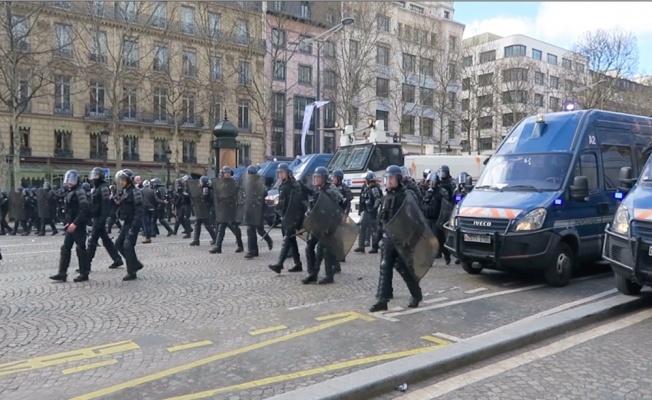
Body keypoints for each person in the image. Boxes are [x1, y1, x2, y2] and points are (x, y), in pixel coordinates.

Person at [369, 165, 424, 312]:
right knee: (385, 266)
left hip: (402, 238)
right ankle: (382, 299)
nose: (389, 181)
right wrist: (378, 235)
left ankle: (416, 294)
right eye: (387, 178)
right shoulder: (386, 195)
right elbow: (382, 217)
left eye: (391, 178)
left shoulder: (406, 196)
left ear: (398, 179)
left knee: (404, 268)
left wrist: (410, 240)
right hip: (388, 238)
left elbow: (415, 219)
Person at [301, 167, 344, 285]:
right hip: (317, 224)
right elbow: (314, 206)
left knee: (323, 250)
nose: (316, 179)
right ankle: (312, 273)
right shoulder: (317, 190)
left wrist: (331, 228)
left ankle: (329, 275)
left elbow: (336, 211)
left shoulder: (330, 192)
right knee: (309, 247)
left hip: (327, 225)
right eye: (315, 177)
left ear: (324, 178)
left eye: (318, 177)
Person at [49, 170, 91, 283]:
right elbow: (69, 210)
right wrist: (67, 222)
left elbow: (84, 209)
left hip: (79, 225)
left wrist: (75, 223)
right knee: (65, 248)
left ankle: (84, 273)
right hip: (72, 225)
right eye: (69, 179)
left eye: (72, 180)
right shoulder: (70, 191)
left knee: (80, 249)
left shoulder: (80, 191)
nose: (69, 182)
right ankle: (62, 273)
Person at [268, 163, 305, 274]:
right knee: (292, 241)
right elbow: (281, 203)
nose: (280, 174)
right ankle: (298, 264)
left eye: (282, 172)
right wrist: (277, 215)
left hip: (294, 217)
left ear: (288, 173)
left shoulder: (294, 185)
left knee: (287, 240)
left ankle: (279, 264)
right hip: (286, 216)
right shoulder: (282, 185)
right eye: (279, 172)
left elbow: (295, 203)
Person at [87, 167, 123, 271]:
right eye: (93, 175)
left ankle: (86, 264)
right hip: (96, 216)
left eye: (96, 175)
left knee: (92, 240)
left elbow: (105, 204)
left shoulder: (103, 188)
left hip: (99, 218)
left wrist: (103, 218)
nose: (94, 178)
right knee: (106, 240)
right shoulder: (96, 188)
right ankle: (117, 259)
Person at [114, 169, 144, 281]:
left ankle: (131, 272)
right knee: (118, 244)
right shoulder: (126, 191)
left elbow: (139, 210)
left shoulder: (135, 191)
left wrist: (134, 227)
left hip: (133, 223)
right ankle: (135, 264)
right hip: (127, 222)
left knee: (127, 246)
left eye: (123, 180)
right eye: (120, 180)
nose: (121, 182)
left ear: (129, 180)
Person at [240, 165, 269, 259]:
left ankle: (268, 240)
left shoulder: (259, 183)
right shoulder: (246, 183)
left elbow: (265, 192)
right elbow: (242, 192)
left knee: (259, 229)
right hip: (249, 208)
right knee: (250, 229)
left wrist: (257, 196)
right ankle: (252, 251)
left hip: (257, 209)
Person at [354, 171, 382, 254]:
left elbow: (378, 199)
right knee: (362, 227)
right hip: (366, 211)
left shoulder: (374, 188)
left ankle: (375, 247)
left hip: (371, 212)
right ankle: (361, 246)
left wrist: (374, 209)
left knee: (374, 229)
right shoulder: (367, 188)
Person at [190, 176, 217, 247]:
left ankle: (215, 239)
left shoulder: (206, 189)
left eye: (201, 182)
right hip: (202, 210)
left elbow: (203, 199)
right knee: (197, 224)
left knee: (207, 225)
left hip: (205, 210)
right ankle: (196, 240)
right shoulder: (204, 189)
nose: (199, 183)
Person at [140, 179, 159, 244]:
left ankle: (147, 237)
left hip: (144, 208)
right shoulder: (152, 191)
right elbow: (156, 200)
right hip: (152, 208)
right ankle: (150, 235)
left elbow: (139, 200)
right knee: (150, 222)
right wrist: (162, 202)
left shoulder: (141, 190)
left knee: (145, 223)